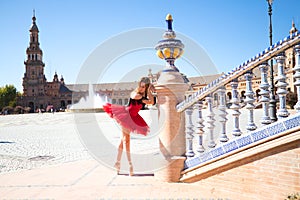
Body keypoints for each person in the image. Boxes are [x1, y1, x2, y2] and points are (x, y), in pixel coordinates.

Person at [103, 77, 155, 176]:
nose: (141, 88)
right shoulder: (135, 94)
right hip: (125, 116)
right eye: (141, 85)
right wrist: (147, 91)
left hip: (134, 118)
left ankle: (117, 163)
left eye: (144, 86)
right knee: (126, 141)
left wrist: (149, 91)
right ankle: (130, 165)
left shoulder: (143, 96)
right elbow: (138, 97)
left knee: (123, 141)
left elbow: (152, 102)